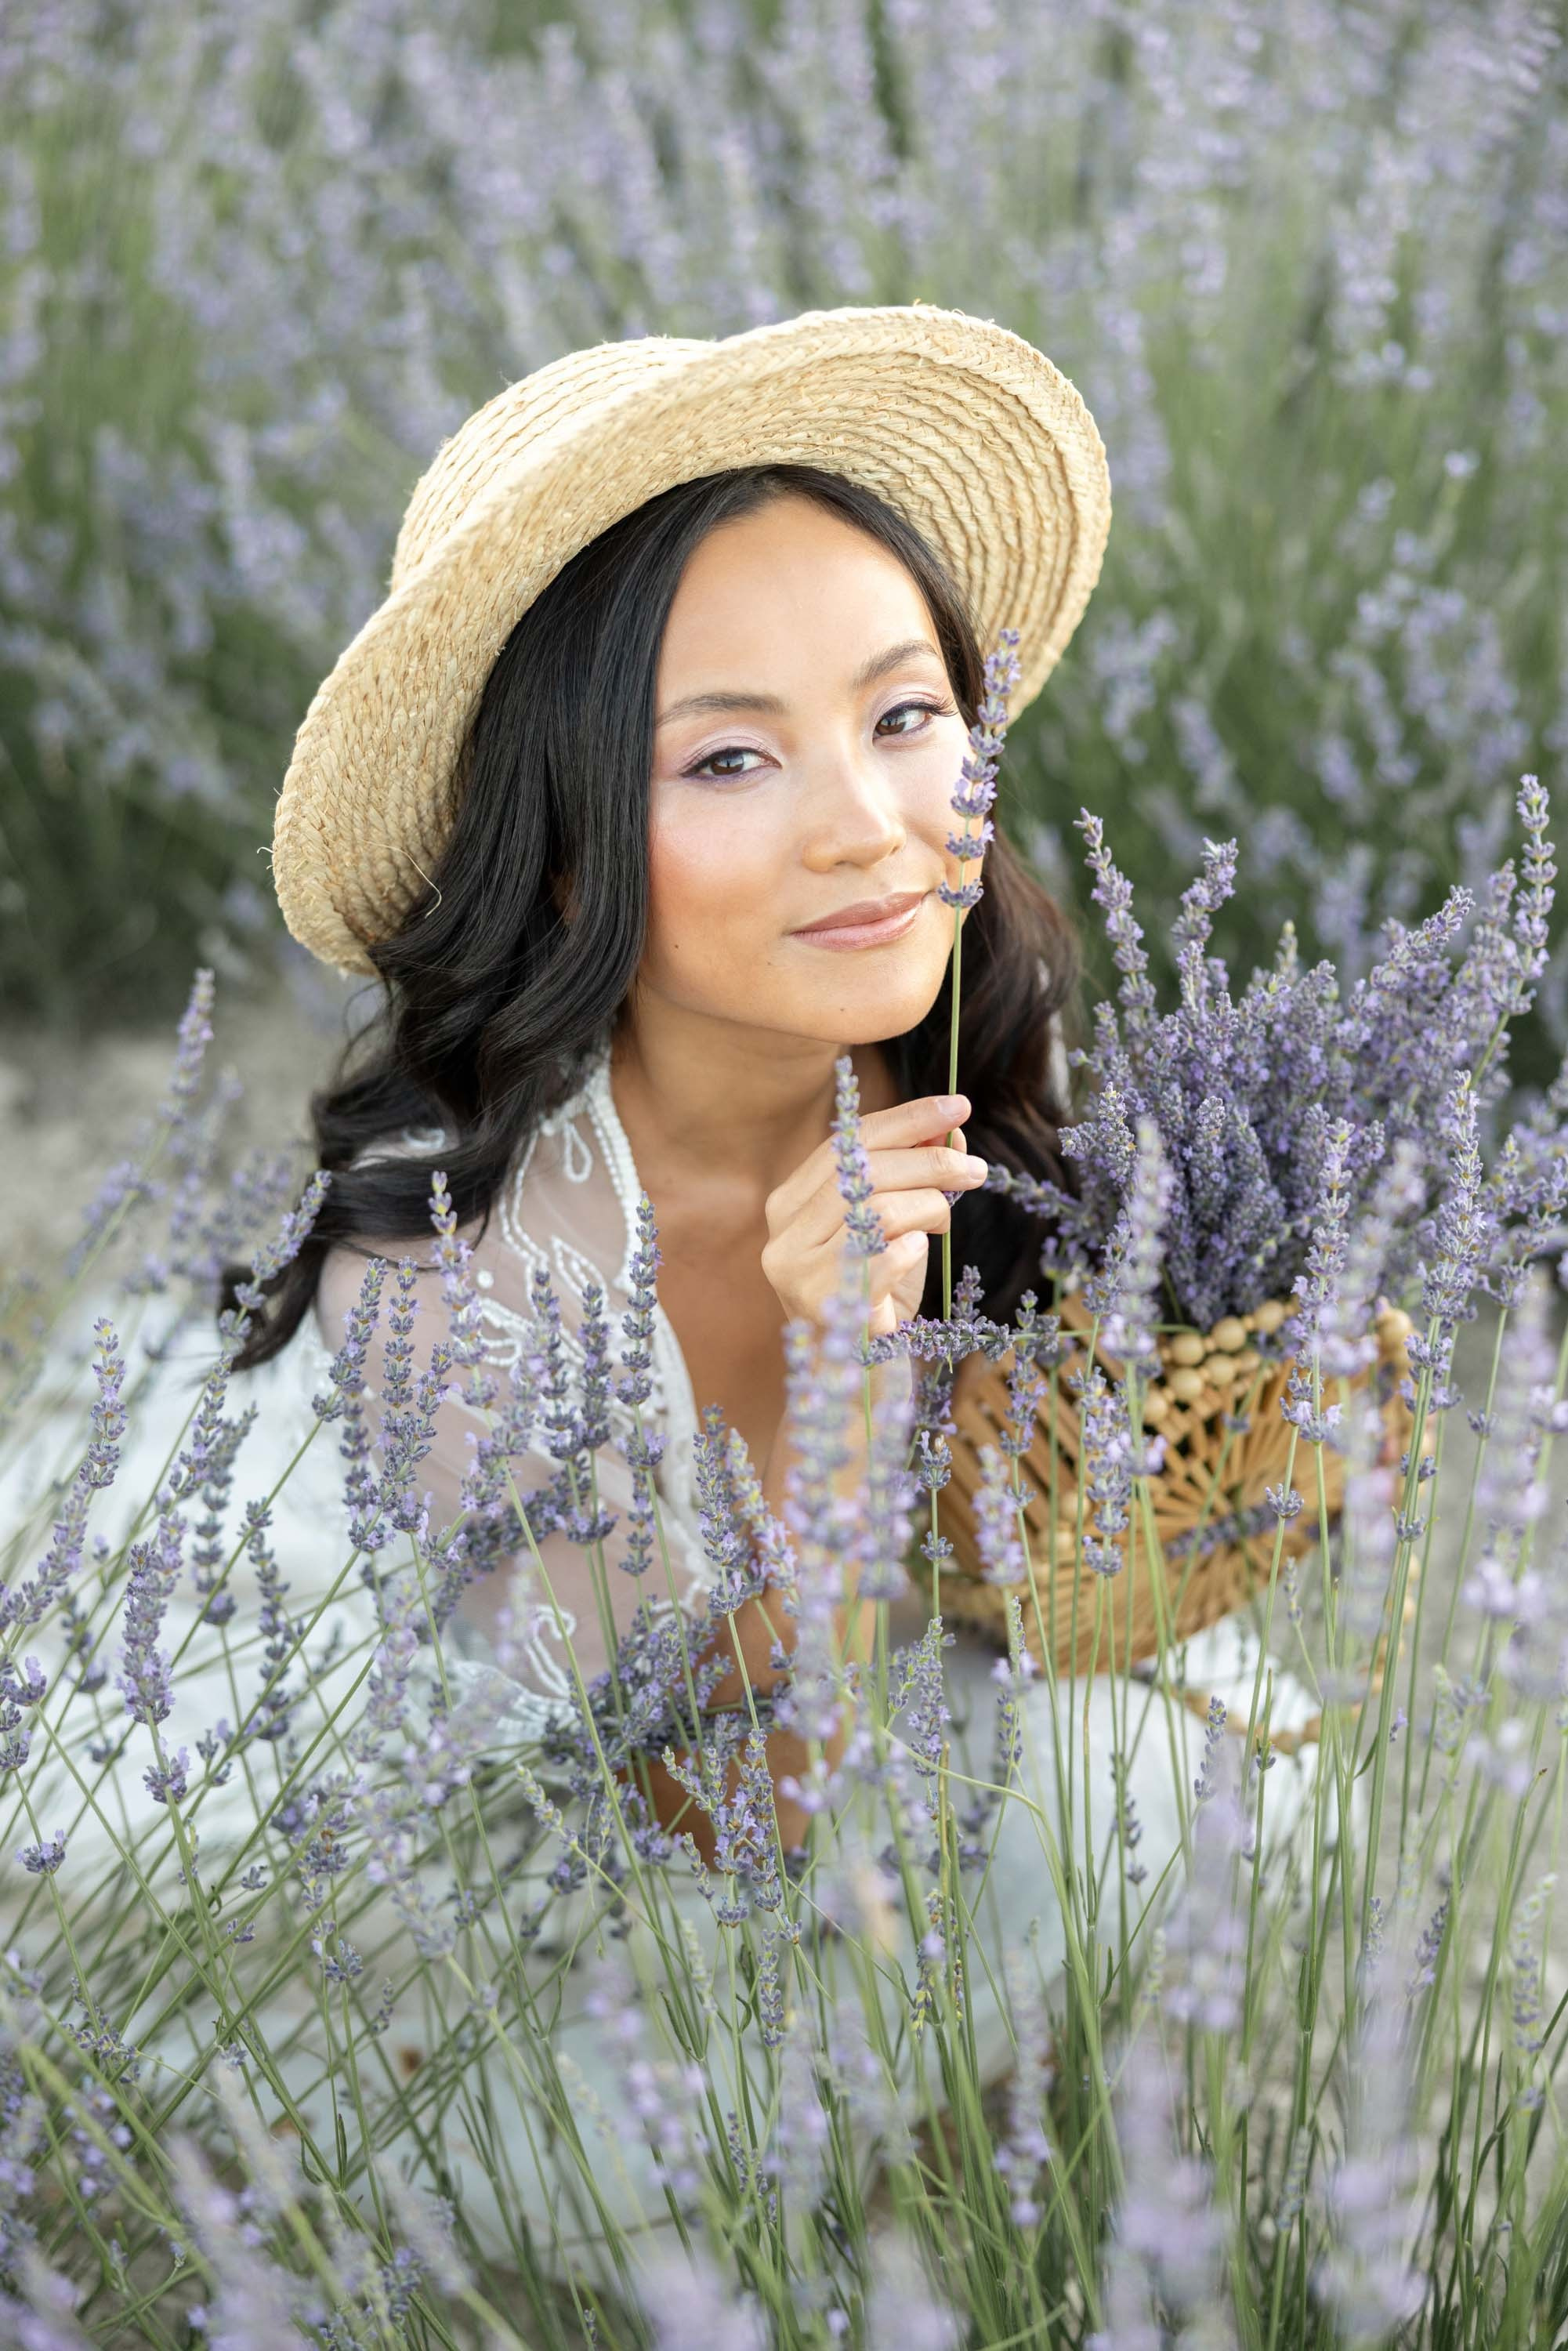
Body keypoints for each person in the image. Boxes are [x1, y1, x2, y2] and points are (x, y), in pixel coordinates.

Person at [24, 307, 1329, 2291]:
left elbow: (1049, 1549)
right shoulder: (454, 1286)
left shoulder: (944, 1038)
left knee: (1195, 1772)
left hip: (821, 1757)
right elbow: (720, 1824)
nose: (869, 827)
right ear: (561, 865)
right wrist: (830, 1395)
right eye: (729, 756)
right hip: (496, 1874)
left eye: (903, 718)